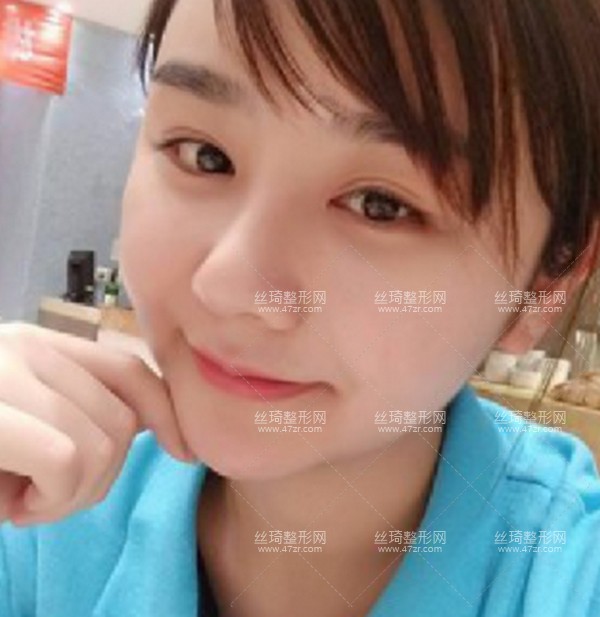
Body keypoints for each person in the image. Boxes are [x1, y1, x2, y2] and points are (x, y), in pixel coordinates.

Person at [1, 0, 600, 615]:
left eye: (380, 205)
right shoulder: (43, 512)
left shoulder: (566, 577)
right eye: (204, 154)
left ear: (545, 286)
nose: (230, 286)